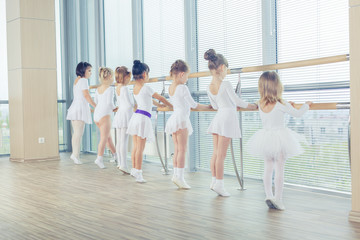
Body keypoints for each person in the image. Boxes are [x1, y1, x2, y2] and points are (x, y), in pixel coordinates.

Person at [247, 71, 312, 210]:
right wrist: (306, 105)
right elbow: (298, 114)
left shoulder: (260, 104)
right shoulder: (281, 103)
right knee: (280, 169)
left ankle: (268, 195)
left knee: (268, 167)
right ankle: (279, 199)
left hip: (265, 138)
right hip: (280, 138)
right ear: (278, 86)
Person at [204, 49, 258, 197]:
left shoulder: (209, 87)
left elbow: (215, 106)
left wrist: (228, 104)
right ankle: (220, 185)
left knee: (215, 153)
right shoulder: (226, 83)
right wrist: (253, 106)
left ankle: (214, 181)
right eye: (227, 69)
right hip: (227, 118)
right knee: (221, 155)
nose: (227, 72)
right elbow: (237, 101)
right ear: (222, 67)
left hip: (219, 116)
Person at [165, 60, 212, 189]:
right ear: (181, 74)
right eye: (187, 76)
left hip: (174, 118)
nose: (187, 78)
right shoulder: (182, 87)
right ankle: (179, 177)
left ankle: (176, 175)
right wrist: (208, 106)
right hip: (181, 119)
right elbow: (194, 104)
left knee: (177, 149)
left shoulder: (171, 87)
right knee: (182, 149)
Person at [127, 60, 173, 183]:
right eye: (148, 73)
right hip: (142, 119)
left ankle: (134, 169)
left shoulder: (135, 88)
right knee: (140, 149)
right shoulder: (147, 88)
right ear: (144, 74)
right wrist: (171, 105)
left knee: (135, 147)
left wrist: (159, 105)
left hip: (136, 117)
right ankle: (139, 173)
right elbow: (161, 97)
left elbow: (150, 101)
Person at [66, 62, 96, 164]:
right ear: (83, 70)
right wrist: (95, 106)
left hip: (75, 107)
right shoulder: (83, 80)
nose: (90, 73)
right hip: (79, 108)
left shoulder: (77, 80)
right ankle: (75, 155)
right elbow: (86, 95)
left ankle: (75, 155)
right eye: (89, 70)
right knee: (78, 133)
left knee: (77, 133)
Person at [93, 67, 118, 169]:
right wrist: (115, 108)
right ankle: (99, 159)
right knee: (104, 138)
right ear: (110, 76)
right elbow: (109, 103)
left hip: (97, 115)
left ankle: (116, 156)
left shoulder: (98, 89)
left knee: (108, 138)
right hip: (105, 115)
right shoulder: (110, 89)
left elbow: (96, 101)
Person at [113, 66, 134, 174]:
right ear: (125, 77)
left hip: (120, 113)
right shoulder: (125, 88)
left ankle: (120, 163)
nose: (130, 80)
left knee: (119, 141)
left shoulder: (117, 87)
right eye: (129, 77)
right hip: (126, 114)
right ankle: (124, 165)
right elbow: (130, 103)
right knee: (124, 141)